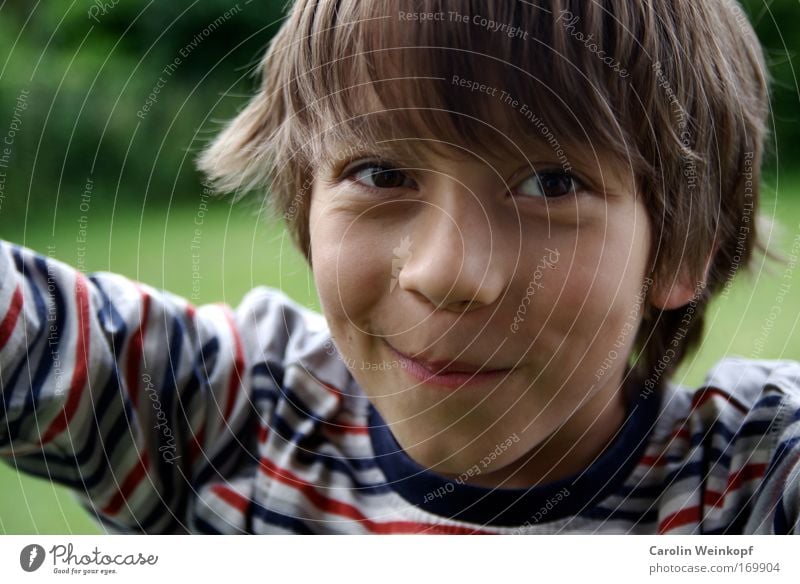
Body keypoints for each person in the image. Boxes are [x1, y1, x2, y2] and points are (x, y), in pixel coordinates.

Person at [1, 0, 798, 534]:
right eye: (382, 174)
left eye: (552, 184)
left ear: (683, 248)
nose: (446, 272)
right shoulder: (229, 420)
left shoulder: (745, 486)